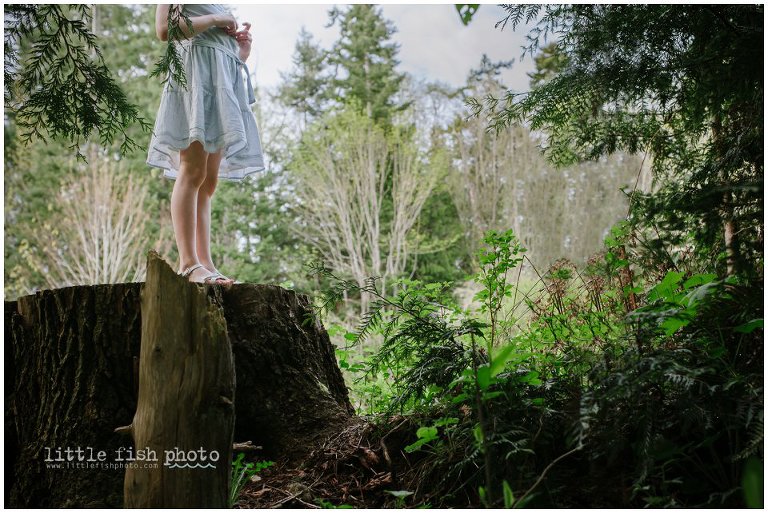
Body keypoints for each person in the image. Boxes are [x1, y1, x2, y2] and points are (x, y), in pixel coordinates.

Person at [147, 4, 265, 284]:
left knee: (209, 180)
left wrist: (238, 52)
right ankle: (189, 264)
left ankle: (205, 263)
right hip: (195, 76)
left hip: (221, 82)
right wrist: (217, 19)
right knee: (193, 171)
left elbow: (214, 41)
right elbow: (165, 29)